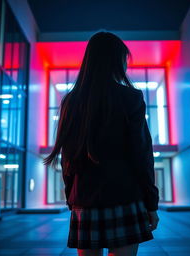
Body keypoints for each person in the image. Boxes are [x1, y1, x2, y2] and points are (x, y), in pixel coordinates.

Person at [43, 31, 160, 256]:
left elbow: (68, 159)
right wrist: (151, 203)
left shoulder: (71, 101)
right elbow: (142, 155)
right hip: (124, 196)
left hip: (84, 199)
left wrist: (72, 198)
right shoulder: (130, 98)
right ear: (115, 61)